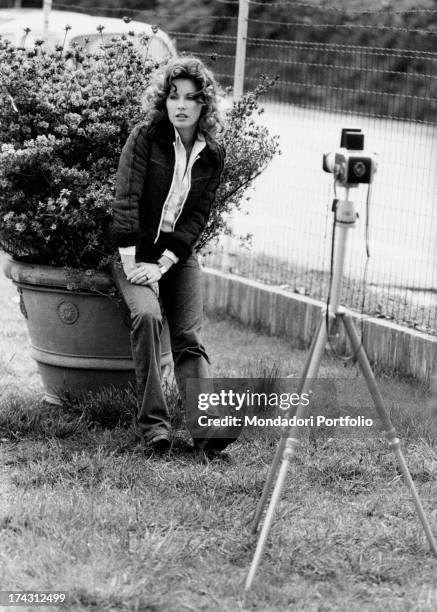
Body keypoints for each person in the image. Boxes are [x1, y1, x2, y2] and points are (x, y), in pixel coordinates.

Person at [110, 55, 239, 455]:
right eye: (173, 96)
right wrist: (135, 265)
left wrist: (164, 263)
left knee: (188, 336)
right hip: (131, 252)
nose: (180, 105)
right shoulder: (145, 137)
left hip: (174, 257)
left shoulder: (212, 154)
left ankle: (207, 431)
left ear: (204, 105)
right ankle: (155, 427)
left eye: (190, 98)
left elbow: (197, 216)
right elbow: (125, 199)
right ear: (164, 101)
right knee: (147, 315)